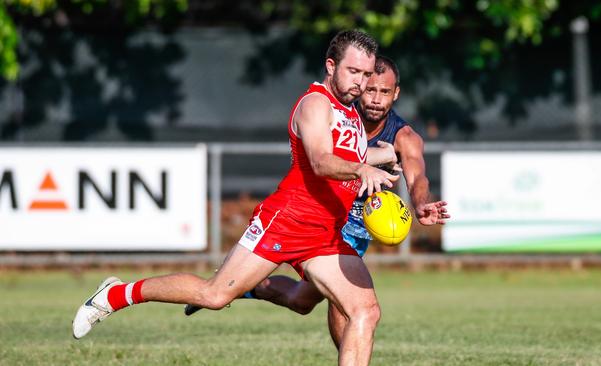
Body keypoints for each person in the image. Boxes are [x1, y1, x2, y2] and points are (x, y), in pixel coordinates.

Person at [72, 30, 399, 366]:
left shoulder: (351, 114)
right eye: (353, 72)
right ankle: (116, 295)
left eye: (366, 74)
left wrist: (380, 157)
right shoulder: (315, 104)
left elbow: (346, 153)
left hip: (326, 233)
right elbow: (320, 160)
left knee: (364, 311)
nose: (360, 82)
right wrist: (362, 169)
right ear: (331, 66)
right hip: (287, 222)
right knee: (213, 295)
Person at [185, 56, 451, 349]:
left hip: (357, 225)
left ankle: (246, 287)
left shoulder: (405, 137)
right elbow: (318, 159)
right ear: (360, 85)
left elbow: (417, 177)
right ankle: (229, 286)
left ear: (396, 93)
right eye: (370, 90)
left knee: (300, 301)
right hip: (318, 213)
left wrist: (422, 202)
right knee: (350, 306)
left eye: (384, 92)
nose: (376, 99)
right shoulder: (335, 114)